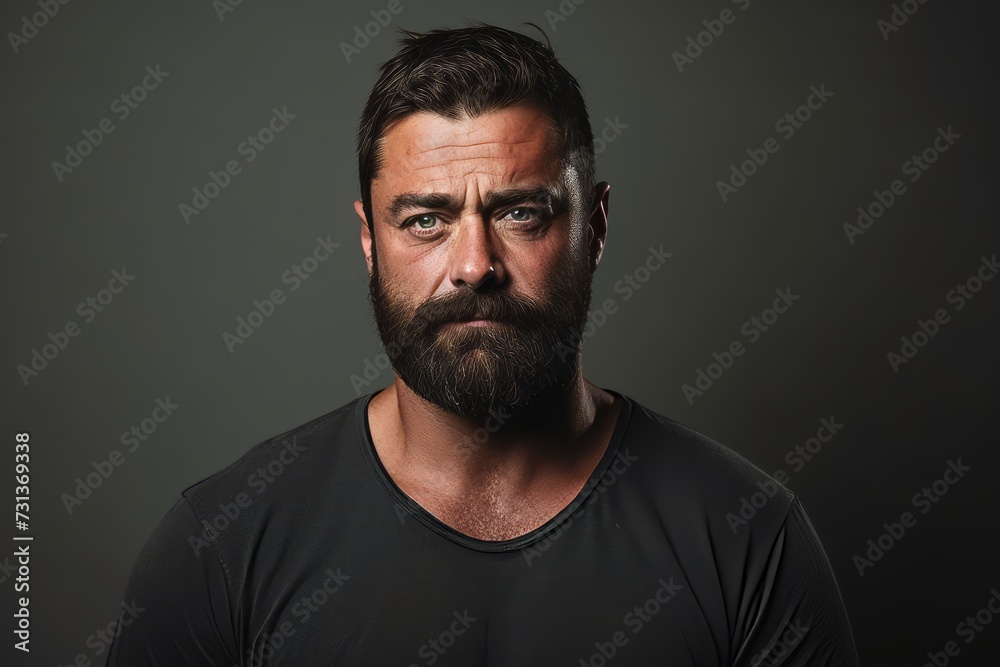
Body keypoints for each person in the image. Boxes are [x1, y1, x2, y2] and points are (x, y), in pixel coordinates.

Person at [106, 23, 860, 666]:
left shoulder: (749, 538)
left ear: (593, 228)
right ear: (371, 241)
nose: (474, 266)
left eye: (521, 213)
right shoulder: (223, 544)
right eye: (425, 220)